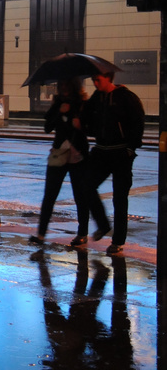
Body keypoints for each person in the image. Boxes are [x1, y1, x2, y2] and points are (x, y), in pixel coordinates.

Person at [82, 70, 145, 256]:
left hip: (120, 151)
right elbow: (87, 118)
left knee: (120, 197)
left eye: (98, 79)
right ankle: (103, 225)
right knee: (86, 186)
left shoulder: (126, 97)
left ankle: (118, 241)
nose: (95, 83)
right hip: (102, 150)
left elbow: (138, 123)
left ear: (108, 78)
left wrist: (130, 149)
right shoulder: (97, 97)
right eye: (93, 79)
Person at [30, 77, 92, 249]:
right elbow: (47, 127)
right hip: (59, 153)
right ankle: (41, 234)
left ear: (74, 87)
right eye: (61, 85)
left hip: (78, 153)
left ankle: (82, 233)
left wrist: (79, 124)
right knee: (49, 194)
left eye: (67, 85)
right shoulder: (58, 103)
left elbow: (91, 127)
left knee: (80, 195)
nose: (63, 88)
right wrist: (60, 112)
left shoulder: (82, 104)